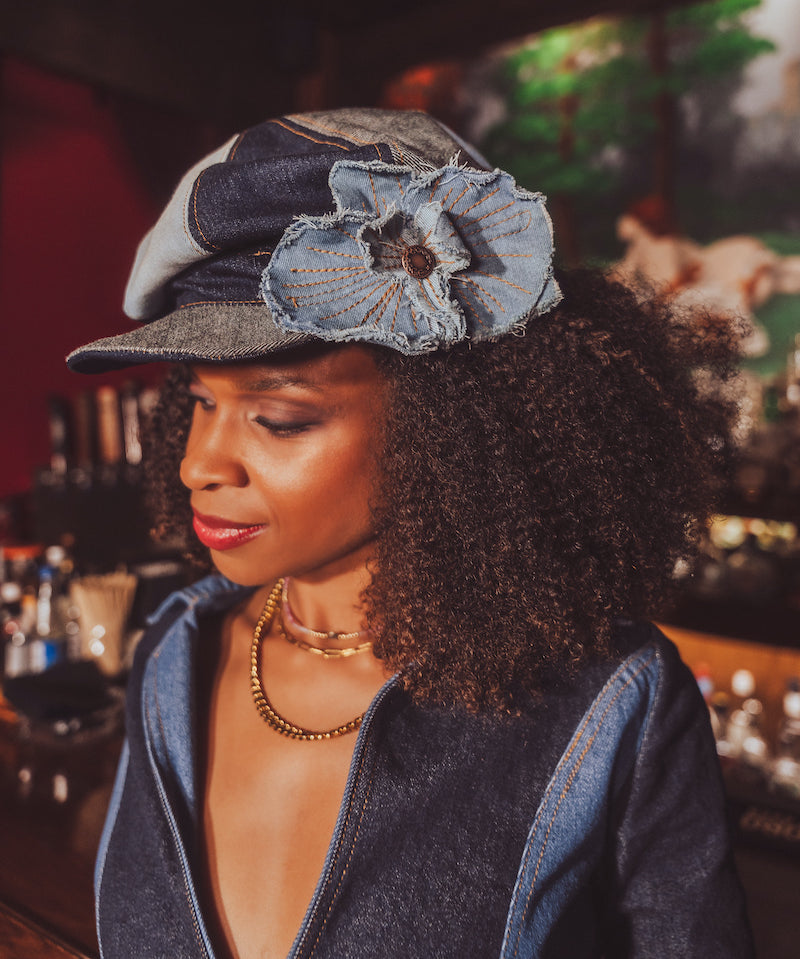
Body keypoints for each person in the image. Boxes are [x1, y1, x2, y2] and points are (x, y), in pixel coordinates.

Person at [67, 108, 754, 959]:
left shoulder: (610, 703)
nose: (199, 463)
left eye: (279, 419)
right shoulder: (173, 650)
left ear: (450, 428)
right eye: (201, 401)